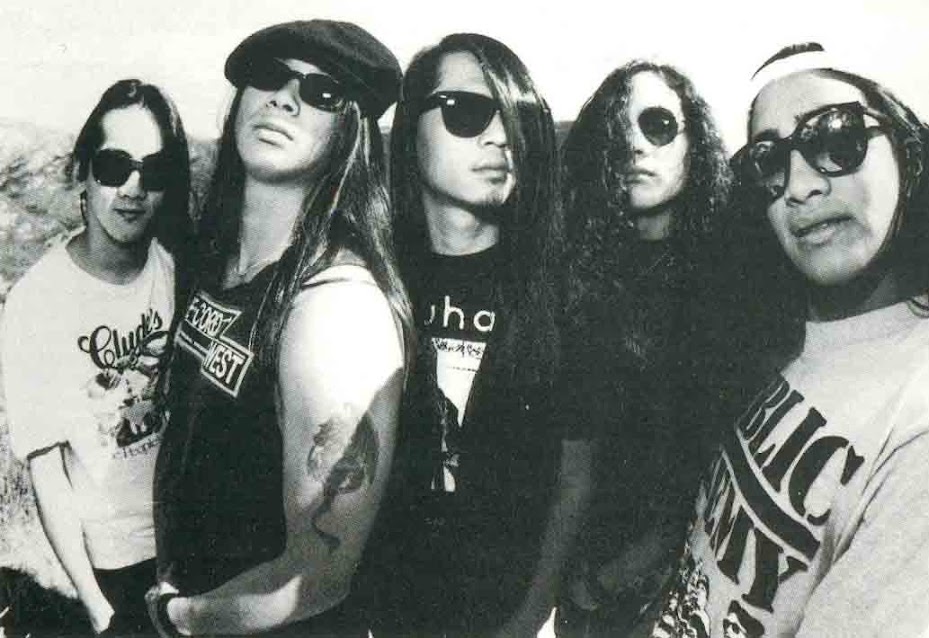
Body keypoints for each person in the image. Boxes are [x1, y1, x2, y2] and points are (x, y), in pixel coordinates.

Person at [652, 43, 929, 637]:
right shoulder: (787, 335)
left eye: (837, 139)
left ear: (909, 154)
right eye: (769, 161)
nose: (799, 186)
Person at [146, 20, 412, 637]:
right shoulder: (217, 261)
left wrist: (175, 617)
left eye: (322, 93)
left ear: (349, 133)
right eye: (270, 76)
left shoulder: (334, 307)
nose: (285, 99)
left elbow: (317, 575)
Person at [367, 32, 589, 636]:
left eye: (518, 117)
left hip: (502, 615)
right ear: (410, 129)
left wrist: (528, 619)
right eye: (466, 111)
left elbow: (573, 480)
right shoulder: (369, 283)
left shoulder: (561, 291)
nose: (500, 137)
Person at [0, 79, 192, 636]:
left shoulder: (181, 271)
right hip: (119, 566)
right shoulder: (38, 303)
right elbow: (47, 469)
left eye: (153, 171)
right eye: (114, 166)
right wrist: (97, 606)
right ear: (82, 171)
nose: (133, 188)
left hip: (199, 542)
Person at [555, 61, 733, 638]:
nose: (634, 144)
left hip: (678, 591)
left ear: (694, 143)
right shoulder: (576, 270)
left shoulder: (731, 279)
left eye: (658, 125)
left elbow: (706, 462)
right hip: (580, 587)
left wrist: (616, 575)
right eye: (617, 128)